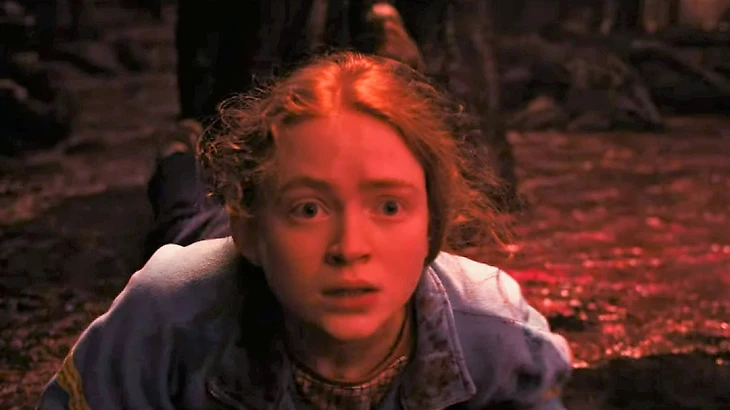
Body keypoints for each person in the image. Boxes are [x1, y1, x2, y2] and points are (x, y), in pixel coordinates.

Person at [37, 52, 572, 410]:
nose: (350, 249)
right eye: (310, 210)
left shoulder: (499, 333)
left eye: (388, 206)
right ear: (250, 231)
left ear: (433, 225)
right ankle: (179, 154)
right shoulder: (169, 311)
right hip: (213, 239)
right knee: (184, 214)